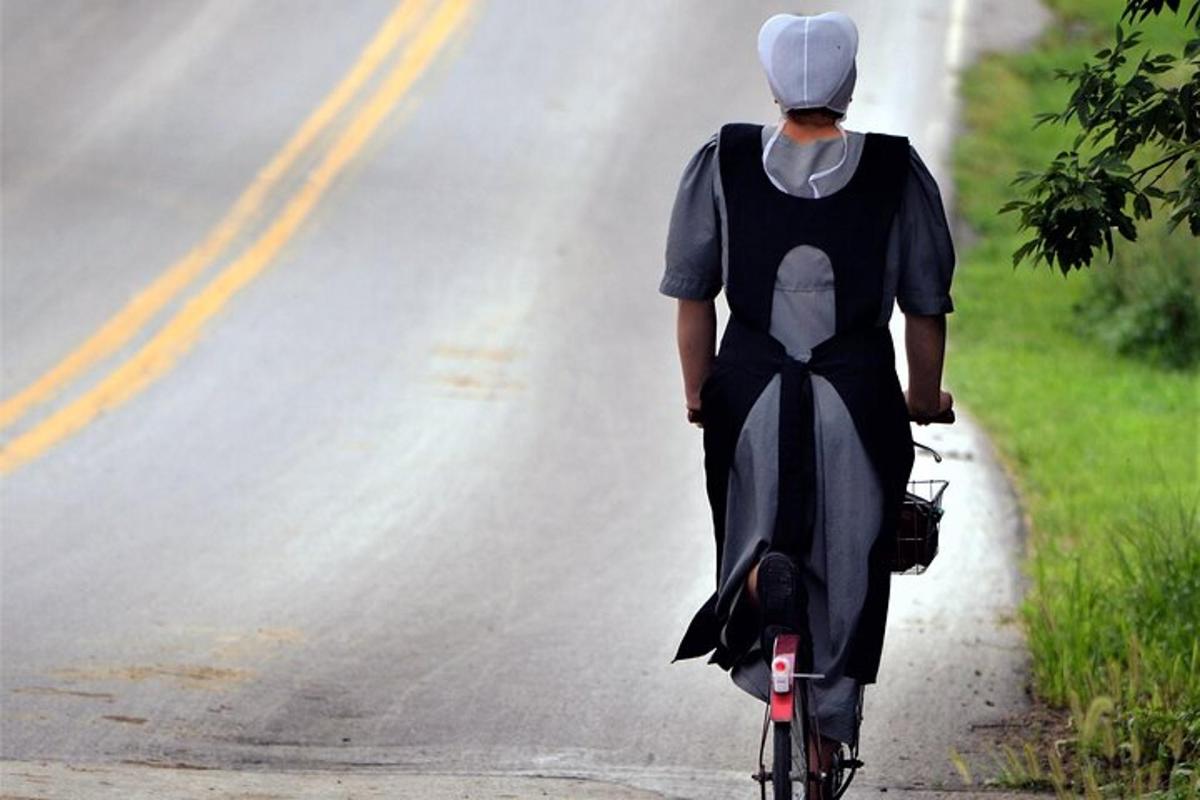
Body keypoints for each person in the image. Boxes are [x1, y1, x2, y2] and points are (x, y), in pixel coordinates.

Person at [661, 10, 956, 788]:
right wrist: (923, 398)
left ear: (772, 85)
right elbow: (925, 307)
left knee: (748, 536)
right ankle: (828, 733)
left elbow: (694, 296)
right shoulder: (897, 172)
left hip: (749, 396)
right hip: (860, 403)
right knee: (856, 564)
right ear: (848, 84)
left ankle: (757, 585)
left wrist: (700, 393)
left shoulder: (720, 161)